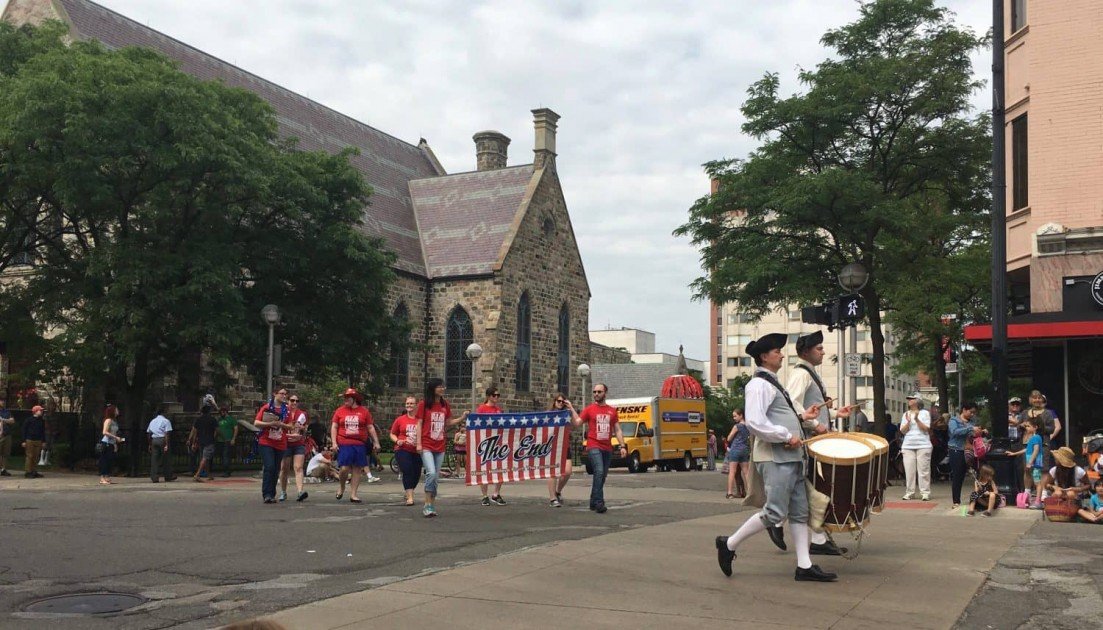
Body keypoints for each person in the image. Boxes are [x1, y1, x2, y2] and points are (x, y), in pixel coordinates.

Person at [714, 333, 836, 582]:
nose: (781, 354)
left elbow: (780, 416)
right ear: (764, 356)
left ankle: (804, 565)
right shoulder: (758, 385)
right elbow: (756, 423)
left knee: (800, 512)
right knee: (774, 513)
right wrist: (784, 435)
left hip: (791, 457)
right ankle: (729, 544)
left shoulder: (772, 384)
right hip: (776, 457)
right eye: (777, 351)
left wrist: (803, 418)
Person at [784, 330, 849, 555]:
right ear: (805, 352)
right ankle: (774, 521)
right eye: (819, 348)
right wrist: (816, 426)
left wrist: (836, 414)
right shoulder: (801, 374)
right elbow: (793, 404)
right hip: (810, 441)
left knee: (813, 489)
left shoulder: (810, 373)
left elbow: (813, 406)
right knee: (809, 489)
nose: (823, 352)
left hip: (815, 440)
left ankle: (819, 539)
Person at [414, 378, 467, 518]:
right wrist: (418, 443)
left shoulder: (445, 405)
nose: (443, 389)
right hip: (426, 444)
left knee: (435, 477)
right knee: (430, 473)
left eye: (443, 386)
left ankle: (431, 504)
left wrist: (462, 417)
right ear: (433, 388)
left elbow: (448, 422)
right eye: (439, 386)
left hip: (440, 445)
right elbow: (418, 424)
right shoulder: (424, 404)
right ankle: (426, 504)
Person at [576, 382, 627, 514]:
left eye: (599, 392)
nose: (596, 394)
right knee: (598, 471)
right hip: (593, 445)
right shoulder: (589, 409)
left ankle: (593, 500)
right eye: (594, 392)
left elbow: (618, 430)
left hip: (607, 447)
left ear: (605, 393)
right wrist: (570, 409)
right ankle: (599, 502)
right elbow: (577, 423)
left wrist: (623, 446)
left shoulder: (612, 411)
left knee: (602, 475)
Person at [330, 388, 379, 504]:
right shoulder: (340, 411)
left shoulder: (364, 411)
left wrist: (376, 442)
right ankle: (342, 487)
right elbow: (334, 427)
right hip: (344, 442)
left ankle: (353, 494)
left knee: (357, 468)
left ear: (354, 399)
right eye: (345, 398)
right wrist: (334, 442)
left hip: (359, 443)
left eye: (348, 398)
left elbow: (370, 427)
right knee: (344, 468)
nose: (345, 400)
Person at [255, 388, 293, 504]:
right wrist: (270, 423)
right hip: (266, 441)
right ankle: (266, 494)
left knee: (276, 469)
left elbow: (291, 426)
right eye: (281, 394)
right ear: (275, 394)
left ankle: (272, 494)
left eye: (285, 394)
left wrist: (281, 424)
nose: (284, 396)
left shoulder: (286, 410)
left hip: (280, 442)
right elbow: (256, 423)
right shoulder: (267, 407)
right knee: (269, 466)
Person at [475, 387, 507, 506]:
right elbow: (477, 424)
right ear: (489, 396)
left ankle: (496, 493)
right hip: (485, 442)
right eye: (494, 395)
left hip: (498, 442)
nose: (496, 397)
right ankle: (484, 495)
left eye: (498, 395)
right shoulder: (482, 408)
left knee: (501, 468)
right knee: (485, 469)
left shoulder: (498, 410)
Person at [389, 395, 422, 506]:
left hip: (417, 451)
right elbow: (392, 434)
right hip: (402, 449)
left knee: (416, 474)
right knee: (407, 470)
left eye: (411, 403)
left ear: (416, 405)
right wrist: (397, 440)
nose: (409, 405)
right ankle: (410, 498)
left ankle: (409, 491)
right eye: (407, 403)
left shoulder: (421, 420)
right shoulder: (400, 419)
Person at [899, 393, 933, 501]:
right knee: (909, 470)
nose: (909, 400)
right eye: (909, 399)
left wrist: (917, 419)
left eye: (911, 399)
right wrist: (908, 422)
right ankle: (910, 492)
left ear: (918, 401)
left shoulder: (925, 413)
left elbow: (926, 429)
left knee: (924, 470)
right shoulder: (905, 414)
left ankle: (925, 492)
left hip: (923, 445)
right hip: (908, 445)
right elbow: (902, 431)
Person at [947, 402, 980, 510]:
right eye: (971, 412)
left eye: (974, 413)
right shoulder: (954, 420)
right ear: (964, 410)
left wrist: (980, 432)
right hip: (956, 450)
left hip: (970, 450)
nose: (972, 414)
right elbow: (954, 432)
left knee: (977, 473)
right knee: (958, 476)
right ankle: (956, 500)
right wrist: (970, 429)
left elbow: (973, 435)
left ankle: (979, 498)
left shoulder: (972, 422)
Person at [547, 393, 577, 507]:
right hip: (552, 446)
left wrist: (571, 408)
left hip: (565, 446)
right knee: (553, 472)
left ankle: (558, 491)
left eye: (562, 401)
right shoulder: (549, 415)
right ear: (554, 402)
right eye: (558, 401)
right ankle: (552, 498)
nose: (560, 403)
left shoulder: (567, 414)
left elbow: (576, 423)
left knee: (567, 471)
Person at [1007, 418, 1045, 507]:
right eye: (1026, 426)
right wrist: (1014, 453)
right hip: (1031, 462)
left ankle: (1038, 501)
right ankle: (1028, 497)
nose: (1026, 428)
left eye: (1028, 426)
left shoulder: (1036, 437)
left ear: (1035, 427)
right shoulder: (1032, 437)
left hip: (1035, 463)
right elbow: (1027, 449)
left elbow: (1036, 450)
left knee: (1037, 482)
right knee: (1029, 477)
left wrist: (1030, 462)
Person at [279, 394, 310, 502]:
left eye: (297, 400)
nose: (294, 403)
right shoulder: (283, 412)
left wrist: (302, 428)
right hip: (286, 443)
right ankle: (283, 492)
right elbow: (278, 426)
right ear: (288, 401)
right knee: (284, 469)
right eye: (292, 400)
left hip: (298, 443)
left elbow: (305, 429)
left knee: (298, 467)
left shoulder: (302, 414)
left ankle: (300, 491)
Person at [1026, 390, 1059, 466]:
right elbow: (1019, 426)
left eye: (1040, 399)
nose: (1038, 401)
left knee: (1043, 468)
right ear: (1031, 400)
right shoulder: (1026, 412)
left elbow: (1054, 428)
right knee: (1028, 469)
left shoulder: (1049, 413)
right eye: (1034, 398)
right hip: (1028, 443)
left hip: (1043, 443)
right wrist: (1024, 425)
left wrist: (1041, 427)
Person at [188, 405, 219, 483]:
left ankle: (208, 474)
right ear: (209, 411)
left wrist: (193, 441)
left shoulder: (198, 419)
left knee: (205, 458)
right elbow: (217, 430)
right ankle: (197, 475)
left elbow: (194, 430)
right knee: (205, 458)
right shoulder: (212, 419)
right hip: (209, 440)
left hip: (201, 440)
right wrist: (215, 437)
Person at [725, 409, 751, 499]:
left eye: (735, 416)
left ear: (741, 415)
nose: (734, 418)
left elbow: (729, 438)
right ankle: (750, 492)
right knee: (746, 472)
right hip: (745, 450)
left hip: (735, 449)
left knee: (732, 472)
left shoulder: (737, 426)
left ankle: (730, 493)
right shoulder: (748, 426)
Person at [147, 406, 175, 483]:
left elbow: (149, 433)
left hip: (154, 439)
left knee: (154, 459)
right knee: (166, 458)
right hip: (162, 439)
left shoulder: (152, 421)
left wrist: (150, 444)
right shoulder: (166, 421)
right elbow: (167, 433)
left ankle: (154, 477)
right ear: (164, 412)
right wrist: (166, 444)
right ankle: (168, 475)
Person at [98, 404, 124, 485]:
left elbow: (114, 432)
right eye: (116, 410)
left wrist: (115, 443)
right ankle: (102, 477)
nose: (118, 411)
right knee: (104, 460)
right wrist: (115, 437)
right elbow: (104, 432)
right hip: (106, 443)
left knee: (110, 460)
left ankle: (107, 476)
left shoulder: (114, 421)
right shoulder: (108, 420)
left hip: (112, 443)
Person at [20, 405, 46, 478]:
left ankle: (34, 471)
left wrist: (43, 441)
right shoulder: (29, 420)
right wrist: (23, 441)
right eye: (40, 410)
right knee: (29, 456)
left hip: (38, 440)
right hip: (30, 440)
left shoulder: (42, 420)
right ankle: (28, 471)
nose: (41, 412)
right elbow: (24, 430)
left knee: (36, 456)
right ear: (35, 411)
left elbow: (43, 431)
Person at [216, 406, 239, 477]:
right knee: (222, 456)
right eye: (220, 412)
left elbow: (236, 429)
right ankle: (226, 470)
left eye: (222, 412)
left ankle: (227, 471)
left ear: (225, 412)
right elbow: (217, 429)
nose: (221, 413)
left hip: (228, 440)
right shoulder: (219, 419)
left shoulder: (231, 419)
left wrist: (233, 439)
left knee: (226, 455)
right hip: (220, 440)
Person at [0, 397, 14, 477]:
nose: (3, 402)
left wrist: (2, 420)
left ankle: (3, 469)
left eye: (4, 401)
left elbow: (12, 421)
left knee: (5, 453)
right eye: (1, 401)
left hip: (7, 434)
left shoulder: (7, 411)